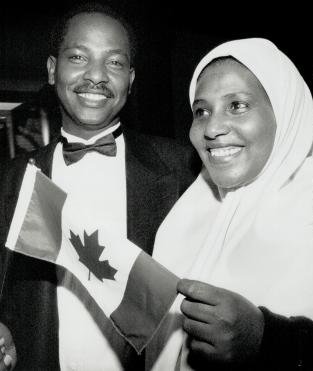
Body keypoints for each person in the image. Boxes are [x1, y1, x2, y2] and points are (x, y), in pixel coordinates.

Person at [0, 2, 199, 370]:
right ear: (51, 69)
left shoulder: (183, 171)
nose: (97, 75)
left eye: (115, 62)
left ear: (131, 79)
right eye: (78, 57)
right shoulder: (10, 181)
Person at [146, 38, 313, 370]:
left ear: (284, 110)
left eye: (237, 105)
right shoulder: (181, 216)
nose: (212, 128)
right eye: (201, 111)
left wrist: (267, 339)